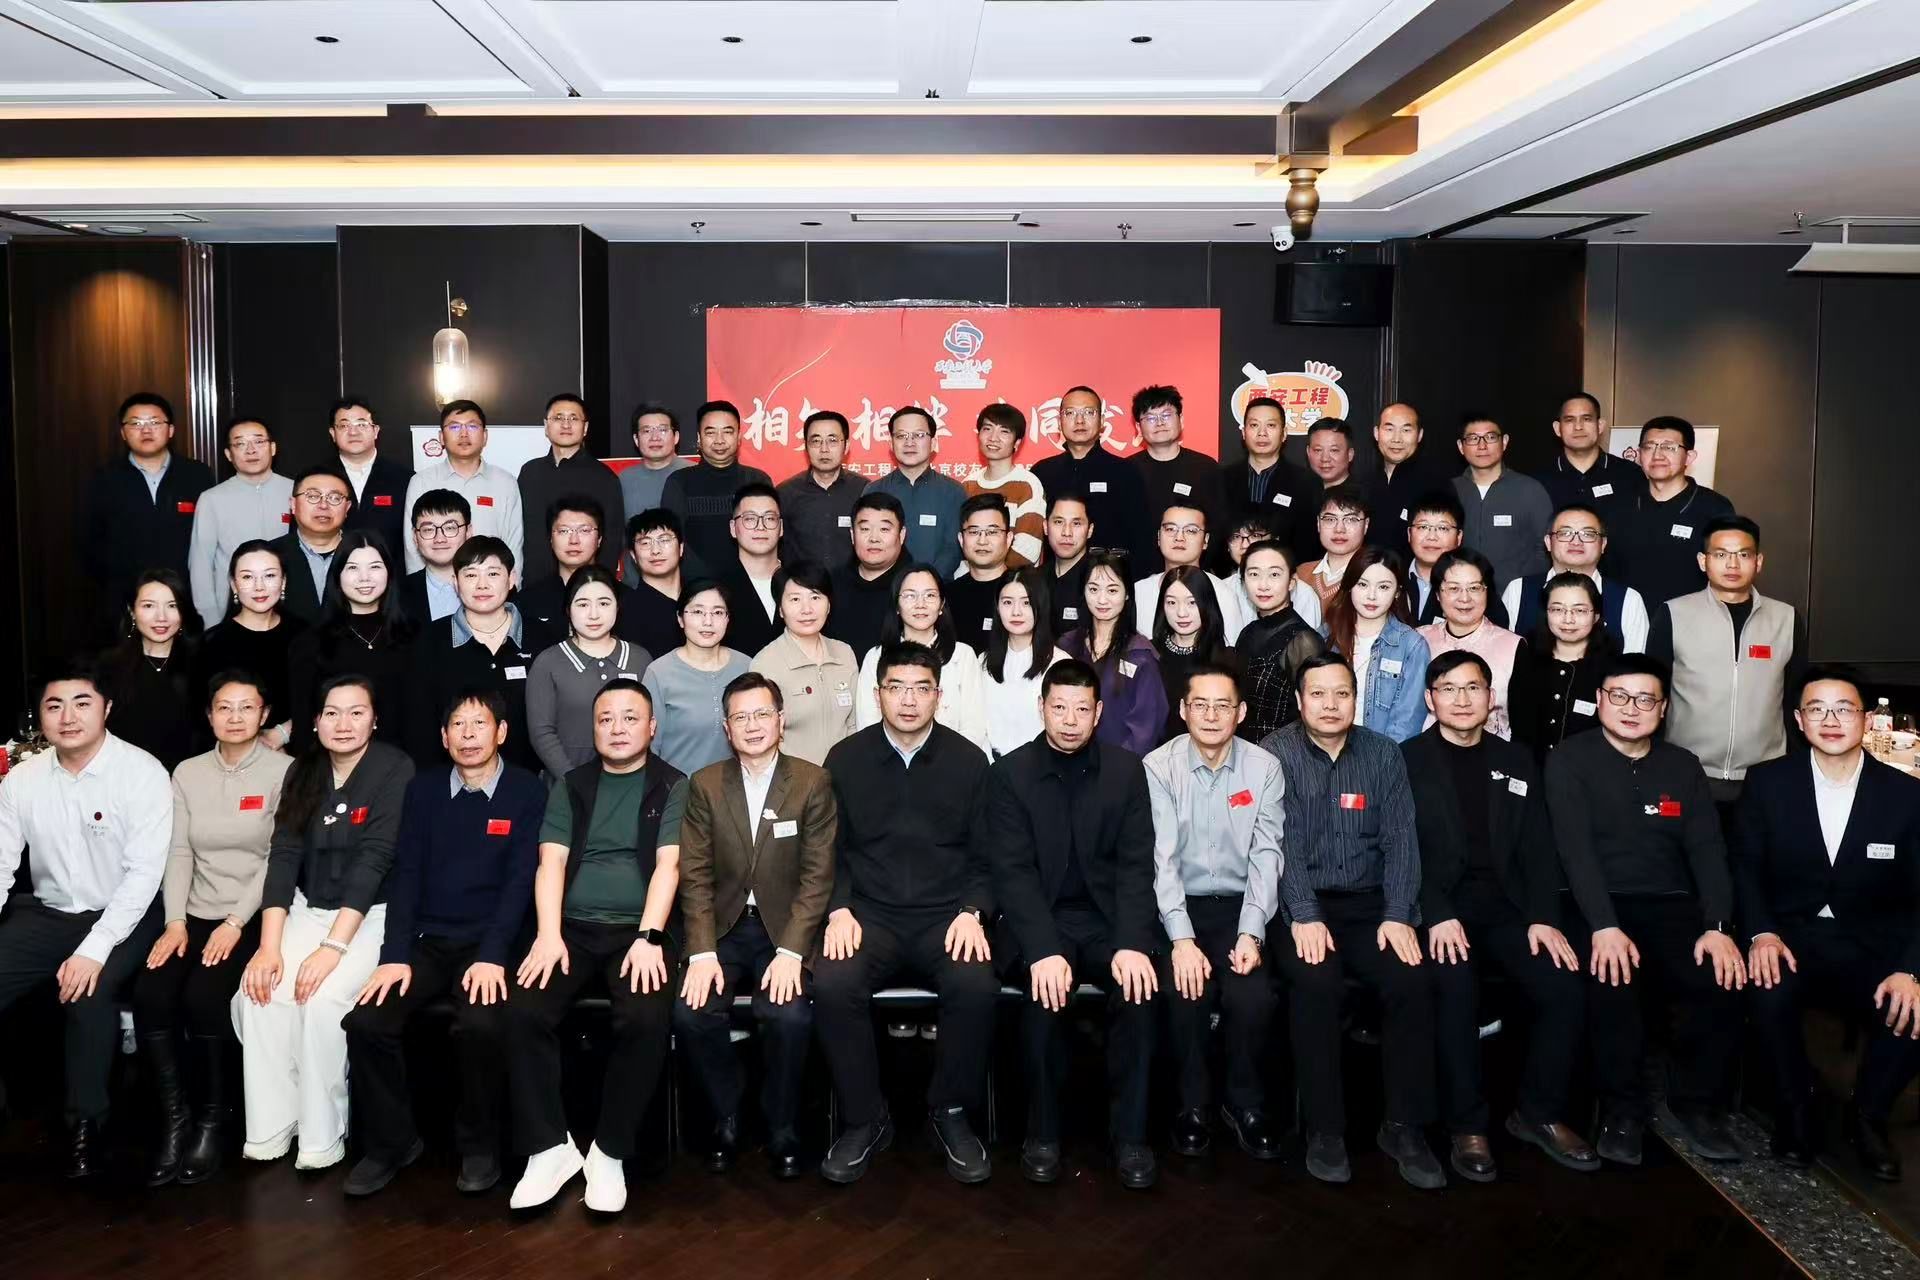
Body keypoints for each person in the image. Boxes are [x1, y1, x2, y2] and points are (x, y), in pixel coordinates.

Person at [340, 686, 545, 1197]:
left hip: (493, 944)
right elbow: (406, 876)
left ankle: (480, 1145)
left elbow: (520, 883)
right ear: (443, 736)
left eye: (480, 724)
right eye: (458, 725)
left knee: (479, 1024)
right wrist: (394, 956)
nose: (469, 735)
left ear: (502, 732)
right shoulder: (424, 790)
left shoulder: (527, 791)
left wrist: (494, 955)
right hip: (429, 941)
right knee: (367, 1021)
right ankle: (391, 1143)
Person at [1544, 655, 1746, 1165]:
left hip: (1670, 904)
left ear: (1663, 708)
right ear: (1600, 701)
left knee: (1721, 976)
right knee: (1615, 981)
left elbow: (1707, 850)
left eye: (1645, 699)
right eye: (1619, 696)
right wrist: (1605, 926)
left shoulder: (1682, 765)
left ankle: (1696, 1106)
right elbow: (1575, 853)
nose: (1631, 708)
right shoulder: (1569, 759)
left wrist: (1718, 926)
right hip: (1595, 905)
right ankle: (1622, 1110)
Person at [1404, 652, 1597, 1182]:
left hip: (1510, 908)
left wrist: (1544, 917)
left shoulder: (1516, 759)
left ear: (1492, 699)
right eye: (1448, 689)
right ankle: (1467, 1125)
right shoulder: (1406, 759)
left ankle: (1538, 1112)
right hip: (1441, 907)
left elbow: (1538, 846)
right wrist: (1435, 913)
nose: (1462, 699)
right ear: (1430, 700)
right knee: (1456, 989)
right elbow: (1401, 850)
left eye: (1473, 688)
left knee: (1563, 985)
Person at [816, 643, 998, 1183]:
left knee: (976, 984)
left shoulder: (970, 762)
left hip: (946, 916)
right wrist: (838, 908)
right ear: (878, 695)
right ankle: (865, 1118)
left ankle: (950, 1111)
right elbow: (827, 850)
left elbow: (989, 857)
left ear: (939, 696)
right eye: (896, 688)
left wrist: (973, 911)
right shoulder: (844, 759)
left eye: (922, 689)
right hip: (869, 916)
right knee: (832, 983)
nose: (909, 700)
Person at [504, 679, 687, 1212]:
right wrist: (547, 935)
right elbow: (551, 863)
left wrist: (650, 936)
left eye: (630, 718)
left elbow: (670, 866)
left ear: (651, 727)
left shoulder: (673, 784)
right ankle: (550, 1148)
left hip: (642, 931)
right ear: (593, 728)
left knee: (646, 1018)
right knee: (522, 1011)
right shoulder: (572, 784)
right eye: (606, 719)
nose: (618, 728)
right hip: (572, 929)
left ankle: (609, 1152)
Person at [1261, 654, 1440, 1188]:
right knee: (1316, 983)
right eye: (1318, 694)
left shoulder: (1383, 753)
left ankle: (1403, 1125)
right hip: (1300, 904)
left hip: (1370, 906)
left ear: (1355, 699)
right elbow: (1279, 842)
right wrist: (1304, 913)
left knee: (1411, 979)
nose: (1330, 704)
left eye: (1341, 693)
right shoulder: (1275, 753)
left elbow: (1402, 839)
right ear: (1299, 701)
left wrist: (1398, 914)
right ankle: (1325, 1128)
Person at [1737, 668, 1920, 1180]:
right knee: (1766, 991)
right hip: (1791, 937)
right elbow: (1745, 868)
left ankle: (1869, 1115)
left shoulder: (1906, 795)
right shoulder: (1768, 782)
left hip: (1874, 943)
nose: (1831, 719)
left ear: (1866, 719)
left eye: (1844, 708)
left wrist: (1911, 969)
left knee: (1912, 1005)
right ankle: (1796, 1108)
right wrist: (1761, 933)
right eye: (1817, 709)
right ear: (1799, 720)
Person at [985, 659, 1161, 1189]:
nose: (1069, 720)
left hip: (1108, 921)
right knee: (1044, 994)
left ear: (1098, 712)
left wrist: (1131, 943)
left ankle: (1131, 1136)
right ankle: (1042, 1132)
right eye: (1058, 708)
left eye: (1081, 709)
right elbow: (1012, 873)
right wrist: (1042, 948)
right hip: (1041, 919)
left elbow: (1137, 865)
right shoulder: (1010, 774)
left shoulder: (1126, 772)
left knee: (1139, 991)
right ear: (1041, 708)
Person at [235, 675, 414, 1170]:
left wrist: (332, 949)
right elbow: (283, 857)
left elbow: (375, 860)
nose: (344, 723)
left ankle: (323, 1133)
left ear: (375, 720)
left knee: (321, 999)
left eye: (357, 712)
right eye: (332, 713)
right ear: (315, 722)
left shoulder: (394, 768)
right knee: (261, 991)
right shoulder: (303, 771)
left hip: (371, 916)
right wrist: (268, 948)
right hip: (307, 909)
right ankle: (274, 1122)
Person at [0, 658, 171, 1178]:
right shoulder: (22, 779)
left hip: (127, 913)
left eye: (82, 703)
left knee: (87, 991)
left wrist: (94, 949)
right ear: (40, 715)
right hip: (50, 913)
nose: (68, 717)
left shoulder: (141, 772)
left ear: (107, 709)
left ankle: (87, 1124)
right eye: (54, 706)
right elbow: (1, 863)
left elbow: (144, 876)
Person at [676, 673, 837, 1180]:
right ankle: (728, 1112)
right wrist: (701, 952)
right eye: (740, 717)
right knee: (691, 1012)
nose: (752, 725)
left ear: (781, 720)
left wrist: (792, 952)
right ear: (726, 728)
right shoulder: (704, 784)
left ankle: (781, 1123)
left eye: (762, 714)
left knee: (788, 1015)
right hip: (723, 929)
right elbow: (694, 875)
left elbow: (817, 877)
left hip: (783, 929)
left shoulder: (812, 782)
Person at [134, 671, 292, 1187]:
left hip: (255, 914)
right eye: (224, 707)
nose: (235, 717)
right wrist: (175, 921)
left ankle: (211, 1123)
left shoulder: (285, 771)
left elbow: (278, 858)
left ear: (264, 714)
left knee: (204, 997)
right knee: (151, 992)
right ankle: (175, 1122)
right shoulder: (187, 772)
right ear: (209, 716)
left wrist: (235, 922)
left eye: (247, 707)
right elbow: (179, 851)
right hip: (194, 912)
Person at [1144, 662, 1282, 1163]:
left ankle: (1244, 1103)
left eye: (1222, 705)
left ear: (1240, 713)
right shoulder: (1158, 767)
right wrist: (1181, 940)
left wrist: (1252, 933)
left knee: (1253, 997)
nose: (1210, 715)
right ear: (1183, 710)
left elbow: (1267, 854)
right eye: (1199, 704)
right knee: (1186, 991)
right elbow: (1162, 861)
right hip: (1178, 908)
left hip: (1242, 908)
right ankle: (1193, 1105)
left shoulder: (1264, 768)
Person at [1651, 514, 1805, 813]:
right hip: (1685, 771)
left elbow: (1796, 697)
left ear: (1758, 562)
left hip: (1765, 775)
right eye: (1721, 554)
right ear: (1702, 561)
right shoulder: (1673, 614)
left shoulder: (1786, 619)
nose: (1732, 564)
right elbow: (1655, 693)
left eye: (1743, 555)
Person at [81, 392, 216, 637]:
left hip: (186, 600)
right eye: (136, 423)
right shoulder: (104, 480)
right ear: (123, 433)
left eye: (154, 422)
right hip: (124, 603)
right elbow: (89, 544)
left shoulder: (198, 476)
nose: (146, 430)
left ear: (171, 430)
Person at [404, 536, 541, 774]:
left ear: (512, 579)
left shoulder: (542, 638)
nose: (482, 585)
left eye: (493, 574)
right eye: (470, 575)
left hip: (531, 781)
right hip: (451, 780)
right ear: (455, 582)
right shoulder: (429, 641)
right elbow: (419, 726)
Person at [287, 531, 414, 754]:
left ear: (389, 572)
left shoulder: (413, 636)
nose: (364, 578)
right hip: (333, 765)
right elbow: (303, 725)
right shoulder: (311, 643)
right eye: (353, 568)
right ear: (337, 575)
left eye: (375, 567)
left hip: (404, 765)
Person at [526, 566, 652, 780]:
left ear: (617, 607)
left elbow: (650, 725)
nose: (594, 614)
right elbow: (542, 734)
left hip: (632, 782)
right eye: (583, 604)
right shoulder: (548, 662)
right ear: (568, 610)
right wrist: (573, 782)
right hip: (567, 784)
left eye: (604, 603)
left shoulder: (639, 658)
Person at [854, 564, 991, 754]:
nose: (921, 604)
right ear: (896, 606)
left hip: (956, 760)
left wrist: (943, 762)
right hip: (889, 762)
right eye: (910, 595)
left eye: (930, 595)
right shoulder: (876, 657)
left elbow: (974, 726)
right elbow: (868, 724)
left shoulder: (963, 655)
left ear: (941, 604)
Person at [1611, 416, 1735, 605]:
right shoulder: (1618, 504)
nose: (1657, 455)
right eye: (1649, 447)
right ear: (1639, 454)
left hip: (1690, 618)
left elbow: (1727, 573)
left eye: (1669, 447)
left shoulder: (1715, 508)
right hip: (1626, 618)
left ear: (1689, 457)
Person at [197, 541, 306, 752]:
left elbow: (321, 700)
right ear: (233, 584)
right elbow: (201, 715)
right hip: (230, 756)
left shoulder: (305, 636)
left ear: (283, 581)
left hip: (299, 755)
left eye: (269, 575)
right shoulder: (212, 644)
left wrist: (283, 734)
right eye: (247, 577)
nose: (259, 586)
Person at [188, 417, 295, 630]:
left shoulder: (296, 492)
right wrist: (210, 620)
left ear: (273, 448)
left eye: (259, 441)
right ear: (229, 454)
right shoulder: (211, 499)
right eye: (240, 444)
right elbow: (200, 564)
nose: (251, 450)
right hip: (229, 610)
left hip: (289, 605)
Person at [1500, 503, 1650, 654]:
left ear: (1603, 544)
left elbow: (1635, 665)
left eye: (1588, 534)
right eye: (1565, 533)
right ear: (1548, 542)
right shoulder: (1518, 590)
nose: (1576, 541)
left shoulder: (1628, 599)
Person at [1059, 550, 1168, 757]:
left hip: (1119, 766)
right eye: (1093, 589)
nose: (1102, 599)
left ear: (1126, 594)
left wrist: (1114, 769)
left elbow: (1145, 732)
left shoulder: (1140, 655)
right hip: (1067, 761)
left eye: (1112, 590)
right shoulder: (1066, 646)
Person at [749, 561, 859, 766]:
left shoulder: (844, 653)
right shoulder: (765, 664)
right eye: (795, 599)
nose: (806, 609)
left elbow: (853, 724)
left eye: (815, 597)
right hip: (794, 780)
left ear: (829, 605)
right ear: (780, 609)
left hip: (845, 775)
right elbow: (762, 736)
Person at [1030, 385, 1154, 567]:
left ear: (1102, 420)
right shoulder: (1042, 472)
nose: (1079, 420)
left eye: (1088, 412)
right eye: (1070, 413)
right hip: (1055, 579)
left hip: (1110, 578)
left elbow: (1142, 536)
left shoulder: (1125, 471)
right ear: (1059, 421)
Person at [641, 579, 754, 775]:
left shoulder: (746, 666)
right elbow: (649, 748)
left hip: (738, 789)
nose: (708, 622)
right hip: (680, 788)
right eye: (697, 612)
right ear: (680, 619)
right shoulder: (659, 673)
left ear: (728, 619)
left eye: (717, 612)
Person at [513, 495, 653, 650]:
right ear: (550, 538)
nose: (574, 540)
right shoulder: (527, 602)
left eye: (584, 530)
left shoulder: (627, 600)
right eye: (564, 531)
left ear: (599, 539)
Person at [402, 400, 524, 575]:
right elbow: (412, 545)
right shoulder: (422, 482)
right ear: (441, 437)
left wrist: (511, 587)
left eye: (472, 426)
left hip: (489, 585)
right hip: (435, 586)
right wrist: (419, 588)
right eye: (454, 427)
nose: (464, 434)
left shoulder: (505, 482)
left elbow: (514, 544)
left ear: (485, 436)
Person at [101, 569, 205, 772]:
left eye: (172, 606)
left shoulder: (202, 664)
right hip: (124, 776)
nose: (161, 617)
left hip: (188, 779)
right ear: (132, 611)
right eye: (149, 606)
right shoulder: (109, 668)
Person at [1508, 573, 1617, 762]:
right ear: (1546, 613)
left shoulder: (1612, 669)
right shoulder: (1525, 658)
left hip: (1587, 772)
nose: (1568, 619)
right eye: (1557, 609)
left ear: (1596, 616)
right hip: (1527, 770)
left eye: (1580, 610)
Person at [516, 392, 625, 582]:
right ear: (546, 426)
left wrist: (600, 583)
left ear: (585, 428)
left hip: (586, 584)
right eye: (558, 418)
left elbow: (612, 539)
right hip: (534, 581)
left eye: (573, 418)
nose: (566, 424)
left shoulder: (604, 477)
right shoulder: (530, 472)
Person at [1325, 547, 1431, 742]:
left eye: (1383, 587)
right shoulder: (1326, 635)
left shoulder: (1412, 645)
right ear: (1350, 586)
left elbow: (1406, 724)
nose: (1371, 596)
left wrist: (1378, 758)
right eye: (1362, 584)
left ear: (1397, 592)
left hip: (1380, 753)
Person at [1418, 549, 1525, 741]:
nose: (1464, 598)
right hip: (1426, 750)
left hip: (1493, 750)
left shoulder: (1513, 646)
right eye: (1453, 589)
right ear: (1437, 595)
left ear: (1487, 592)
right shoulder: (1418, 640)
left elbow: (1523, 724)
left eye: (1474, 588)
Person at [660, 399, 772, 574]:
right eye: (711, 432)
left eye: (727, 432)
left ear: (739, 437)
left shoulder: (757, 480)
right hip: (695, 583)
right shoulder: (679, 482)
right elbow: (671, 540)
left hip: (750, 580)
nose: (719, 440)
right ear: (699, 438)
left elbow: (768, 537)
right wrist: (701, 582)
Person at [1453, 413, 1553, 595]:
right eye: (1473, 438)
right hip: (1461, 595)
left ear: (1504, 442)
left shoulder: (1530, 489)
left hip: (1516, 597)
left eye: (1490, 437)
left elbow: (1546, 547)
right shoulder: (1451, 490)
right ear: (1461, 446)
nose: (1482, 446)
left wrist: (1523, 589)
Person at [1235, 540, 1324, 742]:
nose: (1263, 585)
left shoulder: (1303, 640)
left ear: (1291, 582)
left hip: (1282, 753)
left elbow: (1316, 712)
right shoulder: (1248, 632)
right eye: (1254, 574)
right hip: (1241, 750)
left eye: (1274, 575)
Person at [1128, 386, 1224, 569]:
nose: (1159, 423)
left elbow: (1219, 526)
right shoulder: (1126, 470)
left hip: (1194, 573)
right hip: (1138, 573)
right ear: (1138, 427)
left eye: (1166, 415)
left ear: (1181, 419)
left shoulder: (1205, 468)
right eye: (1150, 418)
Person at [870, 406, 966, 578]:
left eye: (919, 435)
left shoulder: (954, 492)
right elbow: (869, 545)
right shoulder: (874, 490)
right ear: (891, 443)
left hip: (938, 588)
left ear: (933, 443)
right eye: (901, 436)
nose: (909, 442)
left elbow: (953, 548)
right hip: (885, 589)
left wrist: (926, 583)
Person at [981, 568, 1067, 760]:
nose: (1016, 612)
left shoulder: (1060, 665)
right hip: (990, 766)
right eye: (1007, 602)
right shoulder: (983, 662)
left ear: (1040, 605)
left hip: (1039, 767)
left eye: (1026, 603)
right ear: (997, 608)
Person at [1537, 393, 1645, 540]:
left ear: (1600, 426)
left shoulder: (1630, 474)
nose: (1578, 427)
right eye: (1569, 420)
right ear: (1557, 428)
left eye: (1586, 419)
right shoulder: (1537, 480)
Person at [1133, 503, 1245, 642]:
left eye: (1191, 531)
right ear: (1158, 536)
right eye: (1170, 529)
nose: (1179, 537)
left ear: (1205, 540)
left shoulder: (1222, 594)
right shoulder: (1138, 591)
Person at [1150, 566, 1235, 744]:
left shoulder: (1226, 660)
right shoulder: (1148, 654)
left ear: (1206, 603)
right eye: (1171, 603)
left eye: (1192, 602)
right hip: (1155, 755)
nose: (1181, 613)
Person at [1219, 396, 1308, 559]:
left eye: (1271, 425)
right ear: (1243, 432)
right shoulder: (1222, 479)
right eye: (1254, 425)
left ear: (1284, 433)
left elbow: (1309, 541)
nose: (1262, 433)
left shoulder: (1305, 482)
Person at [777, 409, 867, 568]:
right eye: (816, 441)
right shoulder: (784, 493)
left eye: (832, 440)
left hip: (852, 583)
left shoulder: (864, 490)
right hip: (800, 582)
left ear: (846, 446)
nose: (824, 449)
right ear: (806, 447)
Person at [963, 403, 1047, 569]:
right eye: (987, 429)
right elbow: (961, 542)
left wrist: (990, 576)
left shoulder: (1028, 484)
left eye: (1004, 431)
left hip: (1014, 581)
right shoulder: (967, 484)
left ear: (1017, 443)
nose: (993, 438)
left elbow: (1027, 551)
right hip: (972, 579)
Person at [826, 492, 908, 659]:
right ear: (852, 535)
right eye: (865, 529)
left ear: (901, 535)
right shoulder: (830, 584)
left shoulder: (916, 585)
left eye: (884, 529)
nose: (874, 538)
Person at [271, 464, 354, 626]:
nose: (323, 505)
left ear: (347, 508)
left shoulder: (366, 553)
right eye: (313, 496)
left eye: (334, 498)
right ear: (293, 504)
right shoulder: (270, 555)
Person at [332, 396, 414, 556]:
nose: (353, 432)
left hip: (390, 569)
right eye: (344, 425)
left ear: (375, 431)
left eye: (361, 424)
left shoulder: (404, 478)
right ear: (333, 433)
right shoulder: (316, 478)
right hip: (332, 569)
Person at [711, 483, 784, 657]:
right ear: (733, 528)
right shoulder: (715, 588)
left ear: (781, 527)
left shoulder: (799, 581)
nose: (760, 526)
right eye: (750, 519)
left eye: (769, 518)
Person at [1367, 402, 1452, 552]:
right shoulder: (1364, 482)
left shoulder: (1437, 484)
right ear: (1376, 433)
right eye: (1389, 429)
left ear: (1419, 435)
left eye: (1406, 430)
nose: (1397, 439)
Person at [618, 403, 691, 572]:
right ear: (636, 439)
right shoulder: (623, 480)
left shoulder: (694, 474)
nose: (655, 437)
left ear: (676, 436)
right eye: (647, 431)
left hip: (687, 580)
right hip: (635, 582)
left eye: (662, 430)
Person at [1291, 419, 1367, 564]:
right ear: (1308, 452)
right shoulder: (1296, 492)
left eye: (1334, 450)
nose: (1325, 458)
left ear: (1350, 454)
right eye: (1318, 450)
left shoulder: (1364, 497)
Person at [625, 507, 693, 657]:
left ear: (681, 548)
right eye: (645, 543)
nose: (655, 550)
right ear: (633, 555)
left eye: (664, 540)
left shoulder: (701, 598)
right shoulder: (626, 611)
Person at [398, 489, 470, 625]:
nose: (439, 539)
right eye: (428, 530)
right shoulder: (396, 593)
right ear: (415, 537)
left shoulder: (490, 588)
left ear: (468, 532)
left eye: (450, 528)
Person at [948, 492, 1013, 645]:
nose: (982, 541)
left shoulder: (1024, 591)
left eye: (992, 532)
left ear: (1009, 538)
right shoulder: (948, 595)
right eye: (974, 532)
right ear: (961, 539)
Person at [1298, 484, 1370, 613]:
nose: (1339, 529)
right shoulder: (1300, 574)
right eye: (1330, 519)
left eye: (1351, 519)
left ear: (1366, 525)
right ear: (1318, 523)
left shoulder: (1374, 577)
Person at [1405, 490, 1466, 626]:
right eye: (1423, 527)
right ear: (1409, 533)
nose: (1432, 537)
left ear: (1459, 536)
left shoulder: (1473, 587)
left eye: (1442, 528)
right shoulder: (1391, 578)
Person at [1042, 491, 1096, 636]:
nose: (1067, 532)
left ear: (1090, 530)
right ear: (1046, 527)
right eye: (1058, 522)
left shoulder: (1099, 582)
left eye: (1076, 523)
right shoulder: (1033, 580)